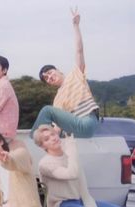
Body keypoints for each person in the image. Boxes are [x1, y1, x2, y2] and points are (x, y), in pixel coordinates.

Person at [33, 125, 135, 207]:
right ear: (42, 146)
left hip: (80, 200)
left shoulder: (68, 154)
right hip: (61, 206)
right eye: (46, 139)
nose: (53, 138)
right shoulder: (45, 164)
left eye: (53, 134)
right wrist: (71, 149)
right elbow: (72, 173)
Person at [30, 8, 100, 138]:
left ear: (58, 70)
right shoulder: (57, 100)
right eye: (47, 78)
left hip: (87, 120)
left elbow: (79, 50)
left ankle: (33, 140)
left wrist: (76, 26)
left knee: (46, 111)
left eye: (50, 73)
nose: (49, 77)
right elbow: (57, 127)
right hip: (74, 131)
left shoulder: (75, 74)